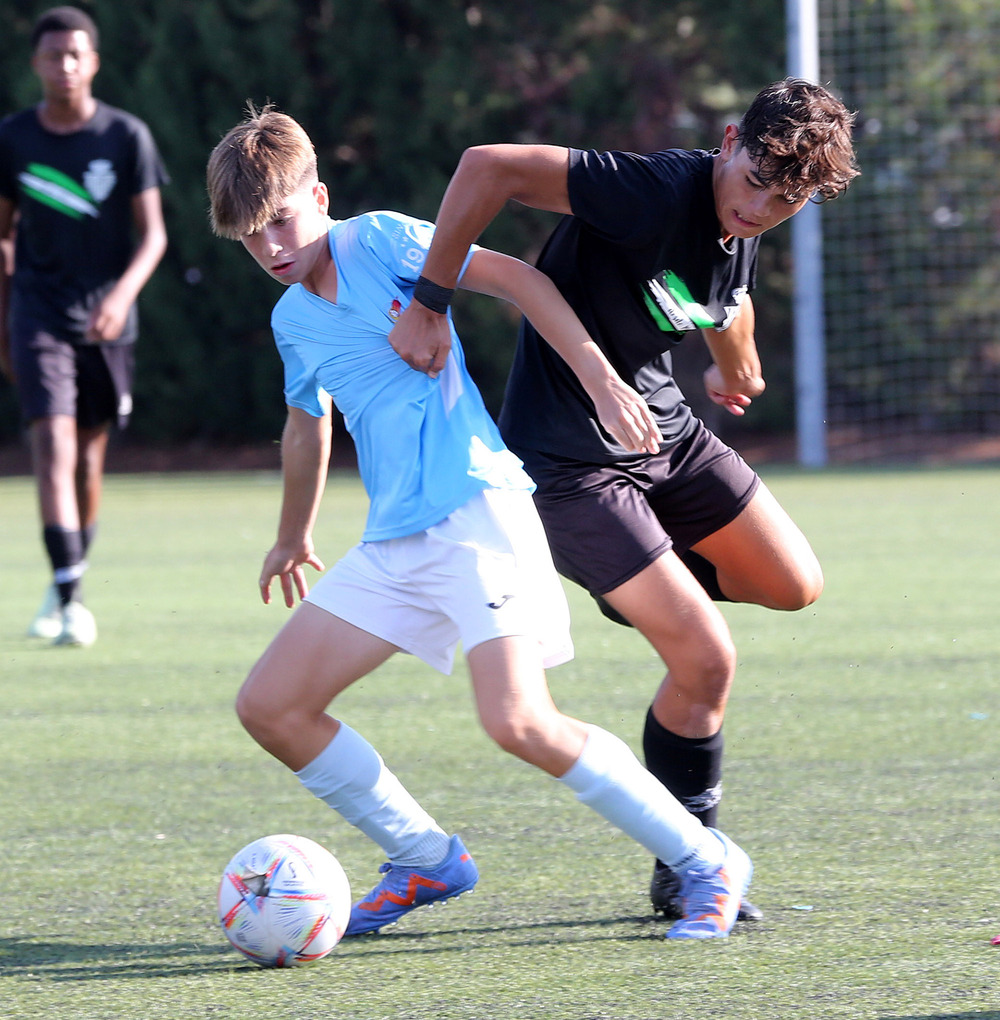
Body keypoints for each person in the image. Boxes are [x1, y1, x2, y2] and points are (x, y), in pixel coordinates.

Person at [206, 106, 754, 940]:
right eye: (252, 237)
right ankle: (424, 858)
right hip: (396, 541)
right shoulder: (290, 320)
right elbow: (306, 424)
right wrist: (292, 534)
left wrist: (606, 386)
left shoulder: (379, 241)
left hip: (477, 512)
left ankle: (705, 859)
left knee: (518, 723)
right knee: (271, 706)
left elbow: (526, 282)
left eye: (281, 220)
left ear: (318, 195)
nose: (273, 248)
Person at [382, 78, 859, 921]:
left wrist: (734, 364)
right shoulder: (647, 190)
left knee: (795, 583)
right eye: (756, 180)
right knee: (706, 659)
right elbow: (485, 166)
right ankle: (688, 863)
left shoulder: (745, 219)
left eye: (790, 199)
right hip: (570, 464)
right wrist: (430, 300)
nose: (762, 207)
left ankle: (638, 582)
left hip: (663, 436)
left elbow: (725, 296)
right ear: (727, 140)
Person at [0, 6, 168, 646]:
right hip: (37, 313)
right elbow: (2, 242)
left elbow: (154, 236)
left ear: (93, 61)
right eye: (52, 55)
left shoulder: (126, 136)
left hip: (106, 322)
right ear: (36, 64)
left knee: (88, 463)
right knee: (52, 446)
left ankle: (66, 578)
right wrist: (4, 325)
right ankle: (71, 600)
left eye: (76, 54)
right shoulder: (13, 139)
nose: (64, 66)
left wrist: (122, 297)